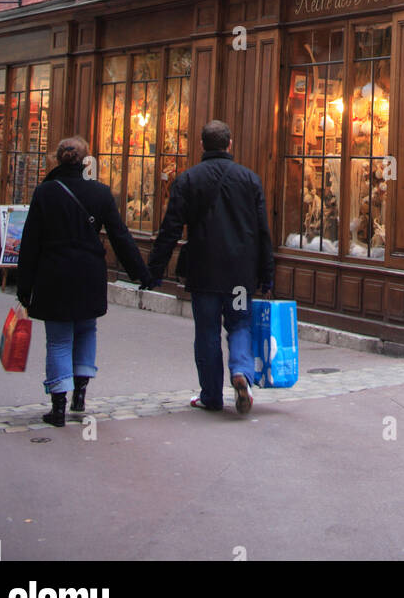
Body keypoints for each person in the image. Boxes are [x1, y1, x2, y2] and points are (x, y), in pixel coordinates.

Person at [16, 136, 152, 427]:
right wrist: (141, 273)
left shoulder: (44, 193)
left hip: (53, 275)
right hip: (89, 274)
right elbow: (120, 236)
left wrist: (24, 287)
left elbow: (30, 242)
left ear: (57, 158)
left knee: (59, 340)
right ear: (86, 160)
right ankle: (80, 395)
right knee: (87, 330)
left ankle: (58, 405)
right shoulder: (100, 193)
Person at [146, 120, 274, 415]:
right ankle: (241, 371)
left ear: (202, 145)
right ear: (230, 144)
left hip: (204, 273)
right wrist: (267, 273)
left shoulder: (188, 180)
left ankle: (211, 395)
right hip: (241, 275)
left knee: (207, 331)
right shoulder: (250, 180)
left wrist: (154, 270)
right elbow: (262, 231)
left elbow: (170, 229)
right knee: (240, 323)